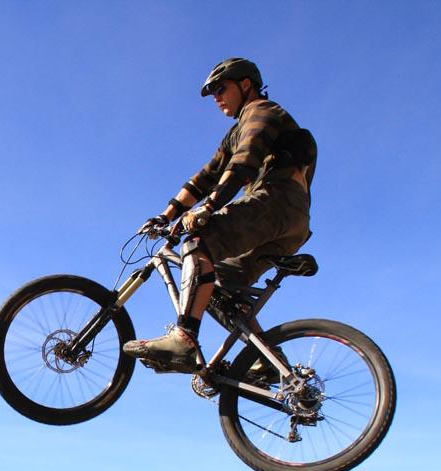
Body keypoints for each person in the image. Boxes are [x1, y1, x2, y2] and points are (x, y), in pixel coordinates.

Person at [122, 57, 316, 372]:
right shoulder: (234, 133)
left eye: (221, 88)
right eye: (213, 93)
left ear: (246, 84)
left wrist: (207, 208)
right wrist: (166, 215)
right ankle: (267, 360)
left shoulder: (261, 111)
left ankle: (183, 340)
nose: (216, 97)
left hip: (277, 202)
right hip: (292, 222)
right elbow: (207, 176)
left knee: (198, 242)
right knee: (214, 287)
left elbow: (244, 163)